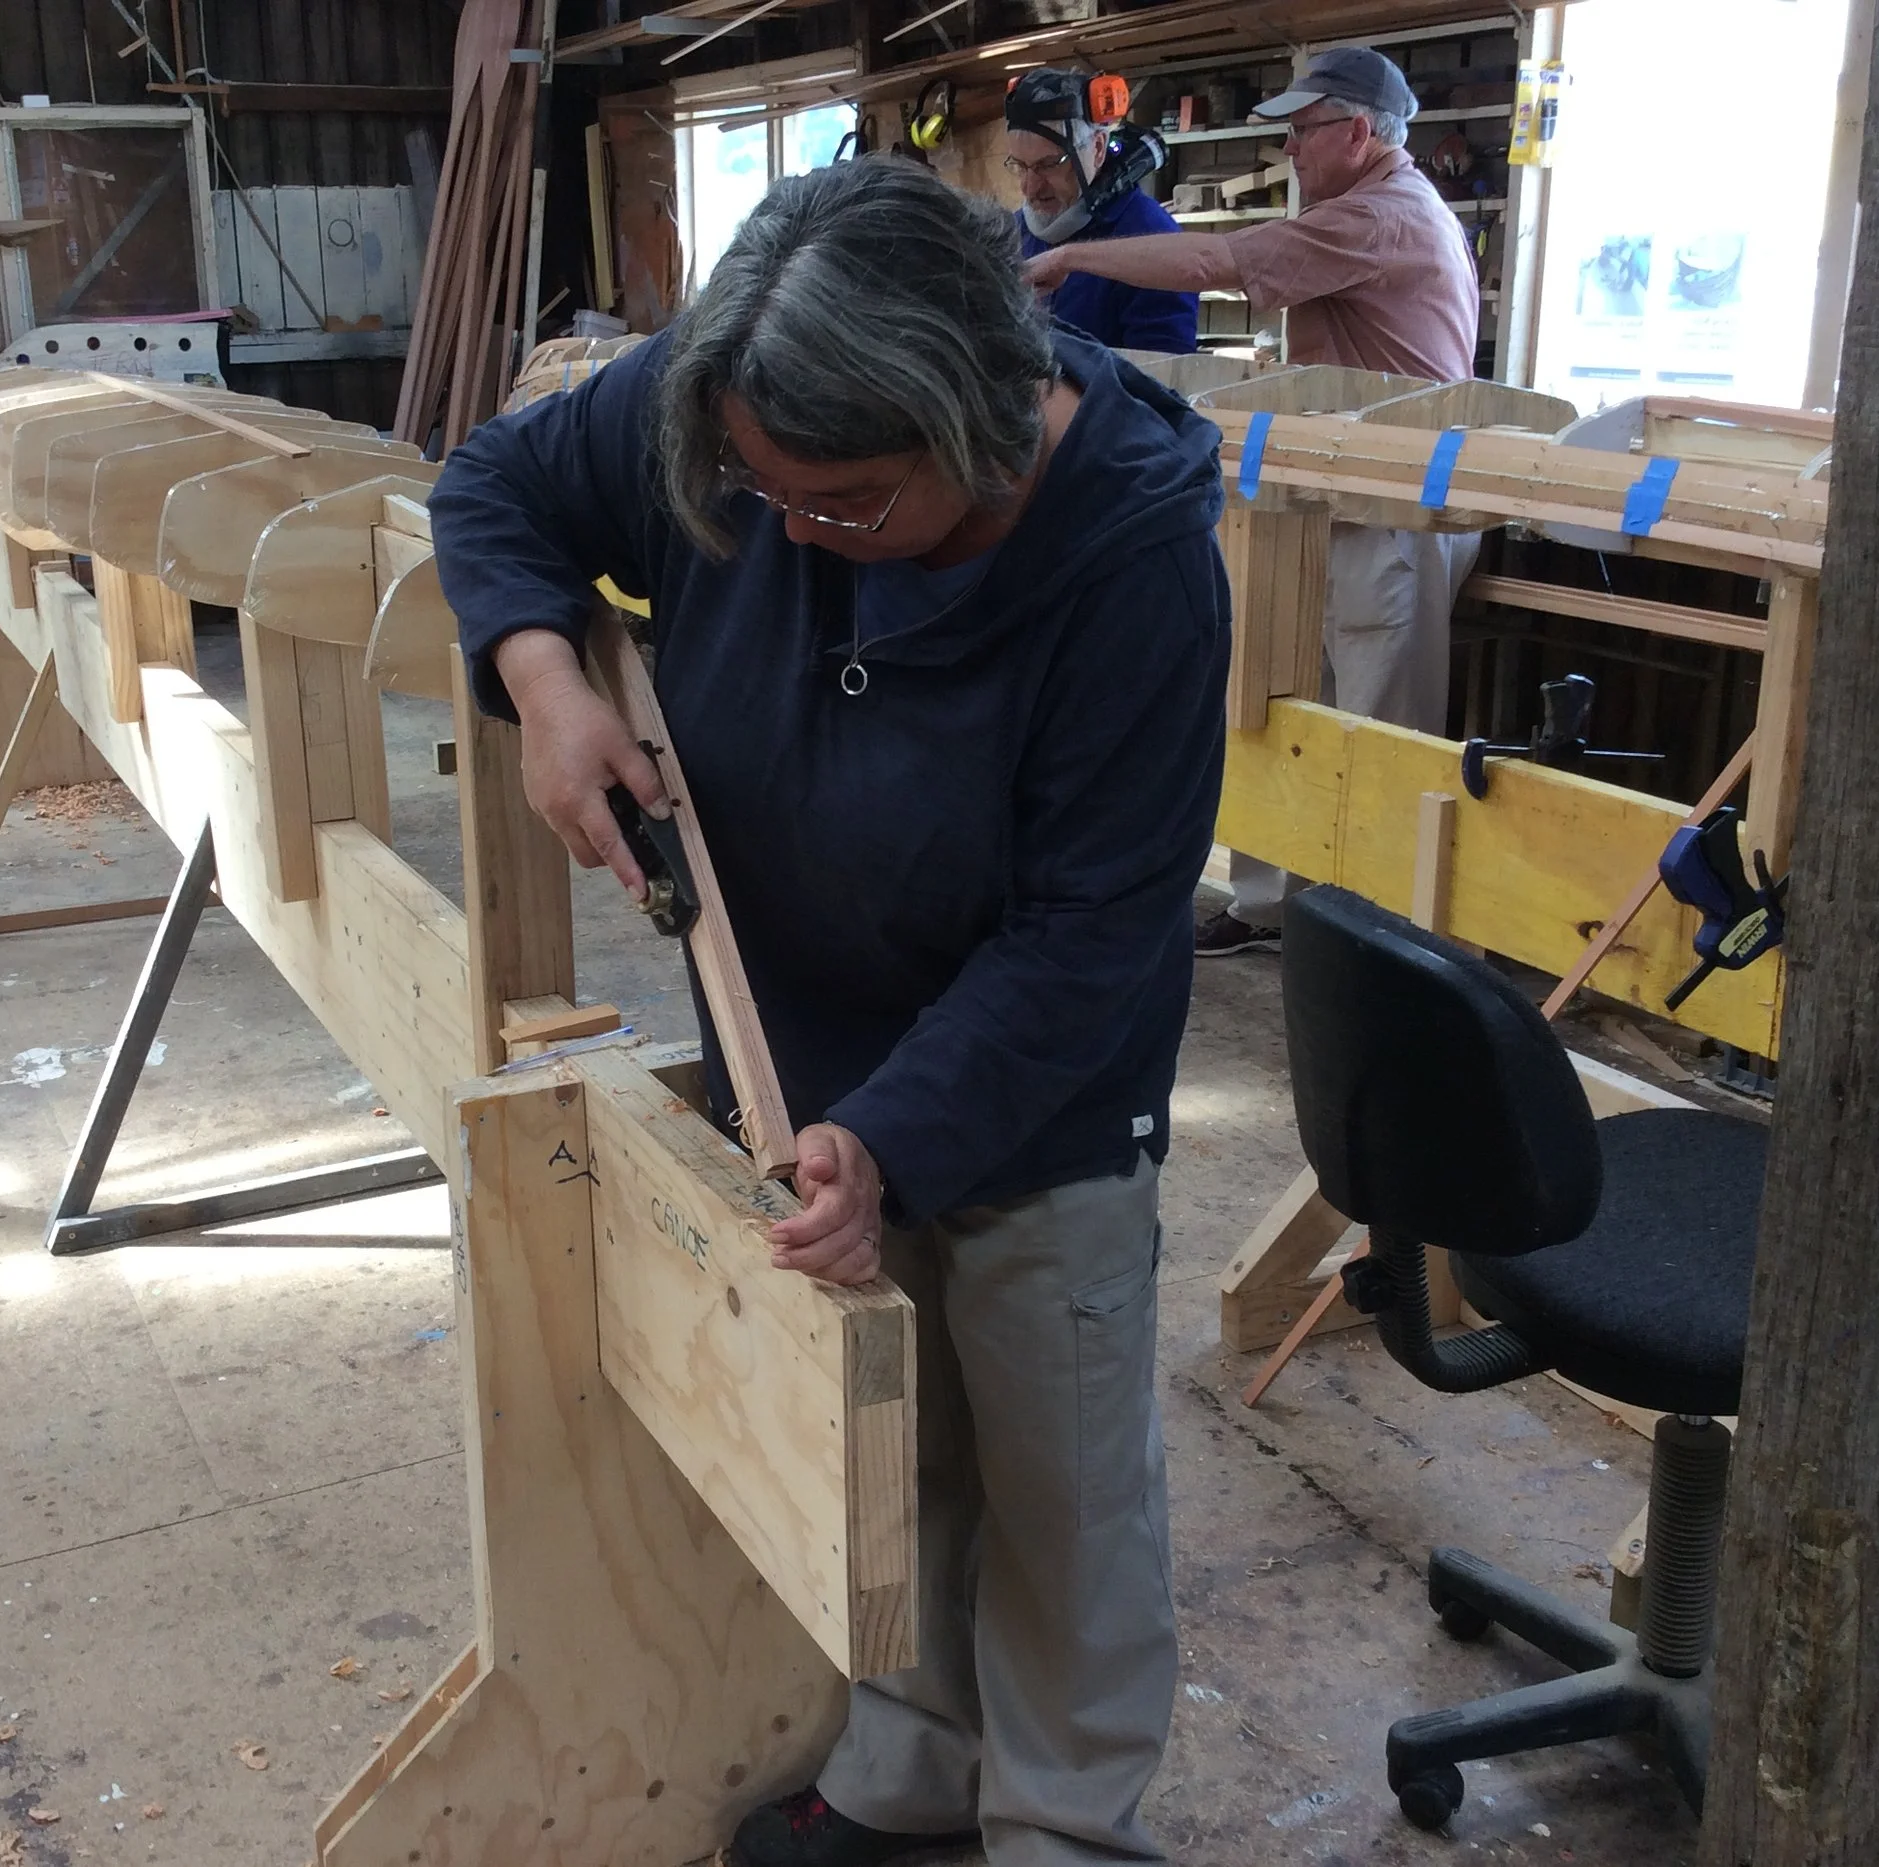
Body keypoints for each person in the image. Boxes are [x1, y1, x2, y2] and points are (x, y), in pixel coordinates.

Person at [430, 158, 1229, 1867]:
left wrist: (900, 1134)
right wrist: (546, 676)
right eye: (754, 491)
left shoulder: (1136, 570)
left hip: (1039, 1091)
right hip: (796, 1047)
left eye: (846, 504)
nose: (785, 537)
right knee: (887, 1441)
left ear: (983, 421)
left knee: (1057, 1487)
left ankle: (1069, 1828)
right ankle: (909, 1771)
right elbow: (497, 481)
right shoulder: (743, 409)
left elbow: (1092, 934)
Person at [1022, 44, 1482, 957]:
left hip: (1390, 507)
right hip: (1328, 496)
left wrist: (1073, 254)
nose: (1292, 155)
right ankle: (1276, 903)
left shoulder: (1382, 215)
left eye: (1305, 134)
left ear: (1358, 131)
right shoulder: (1361, 207)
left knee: (1375, 726)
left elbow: (1222, 257)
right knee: (1281, 699)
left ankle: (1370, 936)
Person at [1008, 66, 1198, 355]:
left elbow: (1161, 379)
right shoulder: (1009, 235)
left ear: (1097, 148)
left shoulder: (1153, 238)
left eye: (1048, 165)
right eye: (1020, 166)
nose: (1030, 187)